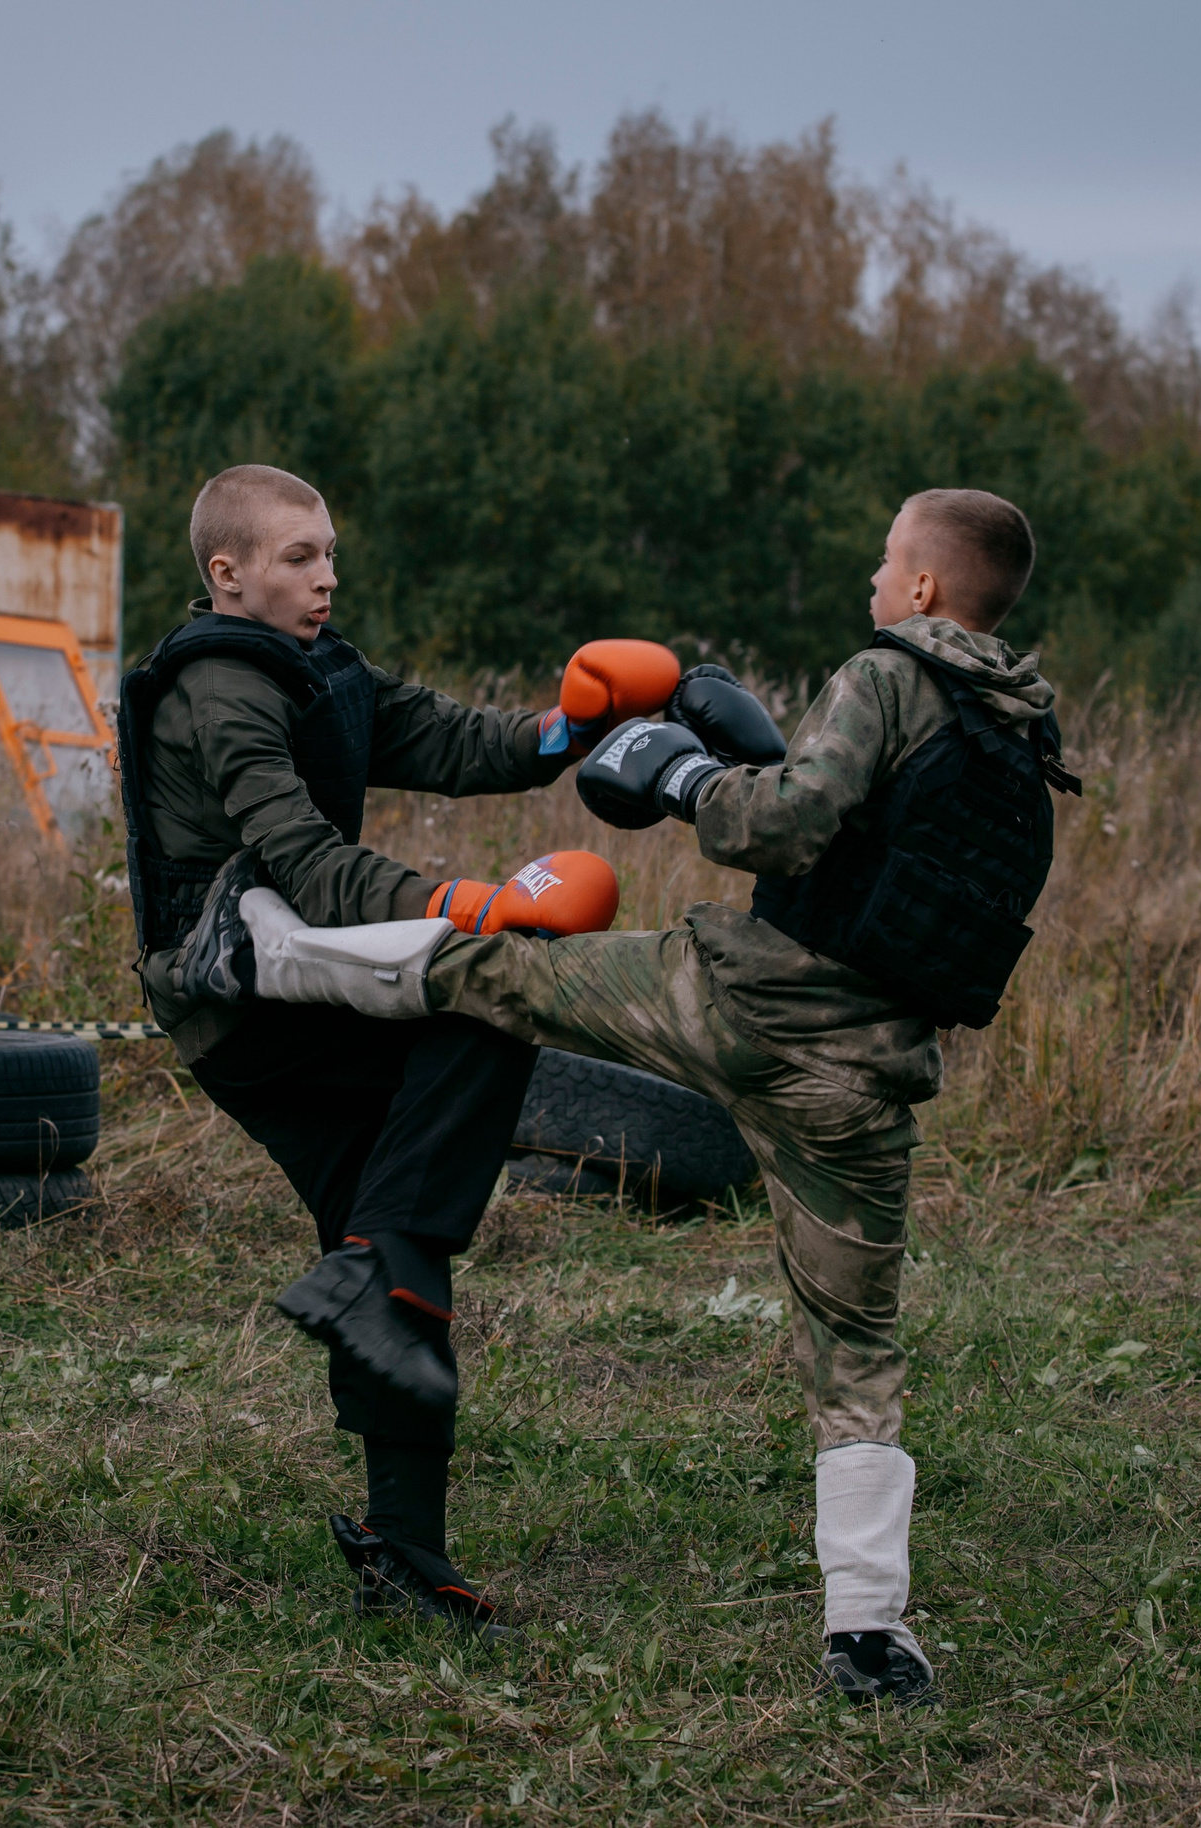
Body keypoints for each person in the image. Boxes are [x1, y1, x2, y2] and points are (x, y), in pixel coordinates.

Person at [202, 488, 1078, 1704]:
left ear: (924, 588)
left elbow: (780, 831)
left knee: (507, 968)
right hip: (865, 1071)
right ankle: (869, 1632)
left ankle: (269, 954)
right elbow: (884, 857)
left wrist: (687, 776)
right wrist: (735, 755)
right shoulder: (1022, 733)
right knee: (856, 1350)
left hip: (739, 1001)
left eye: (886, 562)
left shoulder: (886, 674)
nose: (873, 582)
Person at [118, 463, 676, 1636]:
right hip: (244, 999)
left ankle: (404, 1549)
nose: (326, 576)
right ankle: (376, 1282)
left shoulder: (318, 663)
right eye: (298, 558)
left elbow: (456, 741)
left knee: (387, 1246)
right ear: (227, 573)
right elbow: (306, 861)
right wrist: (469, 903)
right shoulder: (220, 688)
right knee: (487, 1001)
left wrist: (570, 723)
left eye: (328, 552)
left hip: (301, 978)